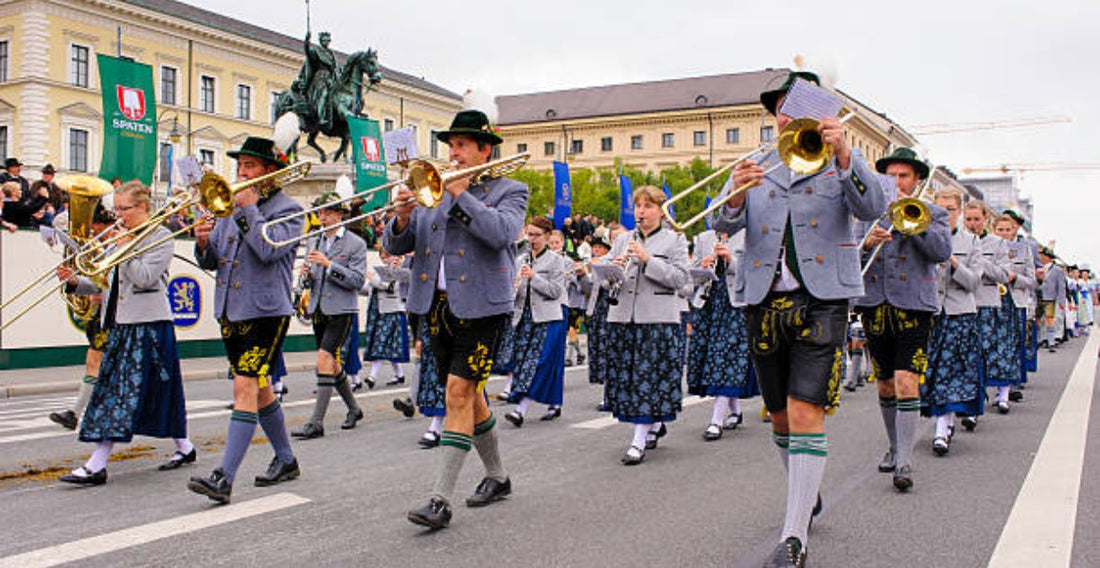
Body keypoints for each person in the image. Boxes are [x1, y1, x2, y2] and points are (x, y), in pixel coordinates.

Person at [709, 70, 888, 567]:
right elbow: (719, 222)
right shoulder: (757, 163)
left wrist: (847, 156)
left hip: (822, 298)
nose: (788, 115)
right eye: (782, 108)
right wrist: (737, 194)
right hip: (763, 298)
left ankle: (794, 538)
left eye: (799, 105)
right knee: (781, 417)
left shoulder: (840, 159)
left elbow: (875, 206)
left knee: (807, 410)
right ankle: (805, 495)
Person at [385, 109, 527, 530]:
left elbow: (503, 234)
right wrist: (403, 215)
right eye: (450, 146)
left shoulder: (510, 189)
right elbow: (401, 243)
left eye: (462, 145)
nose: (453, 153)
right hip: (438, 306)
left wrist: (461, 194)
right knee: (470, 395)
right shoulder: (432, 189)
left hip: (483, 307)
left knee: (458, 394)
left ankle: (439, 499)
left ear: (485, 149)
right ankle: (498, 477)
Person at [188, 137, 303, 504]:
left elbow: (270, 251)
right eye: (239, 166)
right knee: (260, 388)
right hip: (231, 309)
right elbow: (216, 259)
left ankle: (224, 477)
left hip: (266, 312)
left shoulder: (290, 209)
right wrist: (204, 243)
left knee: (244, 389)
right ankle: (286, 459)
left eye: (249, 167)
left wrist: (250, 210)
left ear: (270, 172)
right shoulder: (228, 207)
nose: (240, 173)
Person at [56, 181, 195, 484]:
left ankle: (97, 463)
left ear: (143, 207)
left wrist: (125, 248)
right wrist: (75, 282)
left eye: (124, 209)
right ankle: (185, 446)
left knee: (119, 394)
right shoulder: (119, 237)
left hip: (150, 326)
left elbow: (145, 278)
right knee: (148, 392)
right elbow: (106, 282)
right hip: (120, 324)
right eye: (115, 209)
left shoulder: (160, 236)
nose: (118, 215)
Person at [855, 147, 951, 491]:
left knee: (907, 380)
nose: (897, 182)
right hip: (875, 302)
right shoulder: (868, 214)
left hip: (914, 305)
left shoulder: (935, 213)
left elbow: (941, 253)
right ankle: (894, 446)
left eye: (904, 176)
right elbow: (848, 252)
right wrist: (867, 242)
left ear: (917, 180)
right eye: (891, 176)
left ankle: (905, 460)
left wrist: (913, 224)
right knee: (884, 382)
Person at [604, 185, 689, 465]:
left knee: (647, 378)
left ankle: (638, 440)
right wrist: (612, 270)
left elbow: (680, 280)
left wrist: (648, 259)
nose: (641, 211)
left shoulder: (674, 240)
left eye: (648, 206)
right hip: (623, 317)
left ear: (661, 211)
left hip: (657, 318)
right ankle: (653, 424)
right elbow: (603, 280)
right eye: (639, 206)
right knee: (629, 378)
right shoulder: (622, 239)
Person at [292, 192, 367, 440]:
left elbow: (356, 280)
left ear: (339, 214)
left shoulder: (355, 243)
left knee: (324, 358)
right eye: (319, 212)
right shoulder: (314, 240)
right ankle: (354, 409)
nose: (321, 217)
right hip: (318, 308)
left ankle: (316, 422)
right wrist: (307, 275)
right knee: (331, 364)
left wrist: (329, 265)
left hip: (341, 310)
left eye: (326, 212)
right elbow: (311, 278)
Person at [921, 188, 982, 456]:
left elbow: (974, 282)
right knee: (932, 371)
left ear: (959, 211)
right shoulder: (924, 236)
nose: (946, 214)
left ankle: (941, 429)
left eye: (951, 209)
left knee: (952, 371)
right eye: (940, 209)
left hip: (960, 313)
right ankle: (941, 423)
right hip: (931, 312)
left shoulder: (971, 242)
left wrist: (954, 262)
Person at [48, 204, 116, 431]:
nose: (94, 234)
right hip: (104, 315)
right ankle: (76, 413)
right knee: (94, 363)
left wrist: (102, 290)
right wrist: (74, 282)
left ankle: (78, 414)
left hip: (120, 316)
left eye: (95, 228)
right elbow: (100, 283)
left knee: (99, 365)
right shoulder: (106, 247)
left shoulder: (122, 244)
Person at [687, 229, 757, 441]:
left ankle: (716, 420)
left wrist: (731, 260)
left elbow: (756, 270)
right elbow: (690, 274)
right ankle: (735, 411)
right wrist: (702, 267)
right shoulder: (703, 237)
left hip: (735, 304)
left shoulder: (748, 234)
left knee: (726, 358)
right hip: (708, 303)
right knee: (712, 357)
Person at [504, 217, 566, 426]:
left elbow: (556, 291)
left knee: (539, 363)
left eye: (536, 235)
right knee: (522, 362)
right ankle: (554, 402)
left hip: (547, 318)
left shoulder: (557, 261)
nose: (531, 239)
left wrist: (534, 278)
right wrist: (514, 285)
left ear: (547, 236)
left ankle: (520, 409)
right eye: (529, 234)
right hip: (524, 318)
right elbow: (515, 293)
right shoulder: (521, 259)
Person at [963, 201, 1013, 417]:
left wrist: (981, 262)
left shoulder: (998, 244)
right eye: (969, 219)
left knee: (986, 353)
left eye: (977, 219)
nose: (973, 223)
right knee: (967, 356)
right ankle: (973, 401)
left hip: (988, 303)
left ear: (985, 220)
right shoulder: (959, 240)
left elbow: (1004, 275)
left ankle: (999, 394)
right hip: (965, 303)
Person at [993, 213, 1036, 408]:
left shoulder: (1023, 250)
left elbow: (1032, 281)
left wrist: (1014, 279)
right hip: (992, 301)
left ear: (1014, 231)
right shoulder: (986, 247)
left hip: (1016, 301)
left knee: (1012, 345)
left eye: (1007, 230)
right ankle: (994, 386)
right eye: (1000, 230)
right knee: (992, 346)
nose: (1003, 234)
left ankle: (1006, 390)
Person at [360, 249, 411, 388]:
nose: (385, 260)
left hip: (392, 311)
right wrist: (356, 284)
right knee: (388, 346)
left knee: (380, 343)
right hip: (377, 312)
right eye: (383, 258)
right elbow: (369, 288)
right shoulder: (380, 272)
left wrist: (374, 280)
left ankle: (372, 376)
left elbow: (391, 287)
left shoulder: (401, 271)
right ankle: (399, 374)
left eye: (387, 257)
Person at [1036, 246, 1065, 353]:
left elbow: (1061, 286)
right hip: (1038, 296)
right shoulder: (1038, 268)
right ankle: (1040, 339)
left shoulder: (1057, 270)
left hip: (1050, 297)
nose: (1041, 257)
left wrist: (1062, 301)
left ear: (1048, 257)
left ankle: (1051, 341)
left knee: (1049, 319)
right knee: (1038, 319)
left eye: (1042, 255)